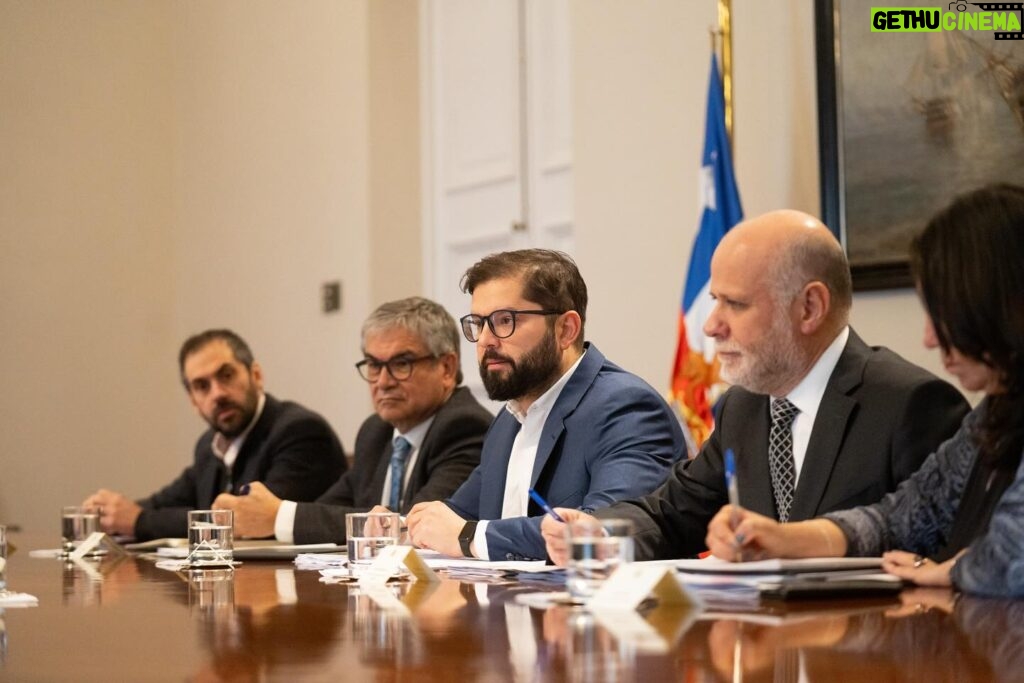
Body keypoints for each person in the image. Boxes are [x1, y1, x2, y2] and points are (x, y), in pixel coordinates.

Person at [543, 210, 969, 563]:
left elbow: (941, 553)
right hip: (759, 652)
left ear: (810, 307)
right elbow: (673, 515)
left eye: (736, 304)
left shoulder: (911, 404)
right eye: (714, 301)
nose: (712, 326)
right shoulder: (742, 407)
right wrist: (598, 532)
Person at [705, 185, 1024, 598]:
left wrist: (954, 570)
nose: (928, 338)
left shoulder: (914, 401)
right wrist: (786, 539)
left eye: (943, 315)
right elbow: (906, 515)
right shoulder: (995, 414)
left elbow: (1012, 556)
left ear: (998, 310)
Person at [406, 249, 685, 561]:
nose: (485, 340)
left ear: (565, 329)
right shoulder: (509, 419)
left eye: (504, 321)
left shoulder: (626, 408)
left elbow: (606, 533)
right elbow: (453, 515)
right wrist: (405, 526)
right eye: (478, 323)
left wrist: (468, 536)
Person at [212, 297, 492, 543]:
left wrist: (279, 517)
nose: (383, 382)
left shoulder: (464, 426)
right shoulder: (376, 432)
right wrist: (264, 514)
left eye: (401, 364)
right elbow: (330, 509)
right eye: (373, 365)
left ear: (446, 368)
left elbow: (415, 526)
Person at [83, 329, 346, 540]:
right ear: (193, 401)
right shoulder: (210, 445)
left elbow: (246, 520)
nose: (217, 394)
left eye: (227, 375)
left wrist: (139, 521)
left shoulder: (300, 432)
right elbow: (163, 502)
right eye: (202, 386)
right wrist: (111, 513)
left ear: (256, 375)